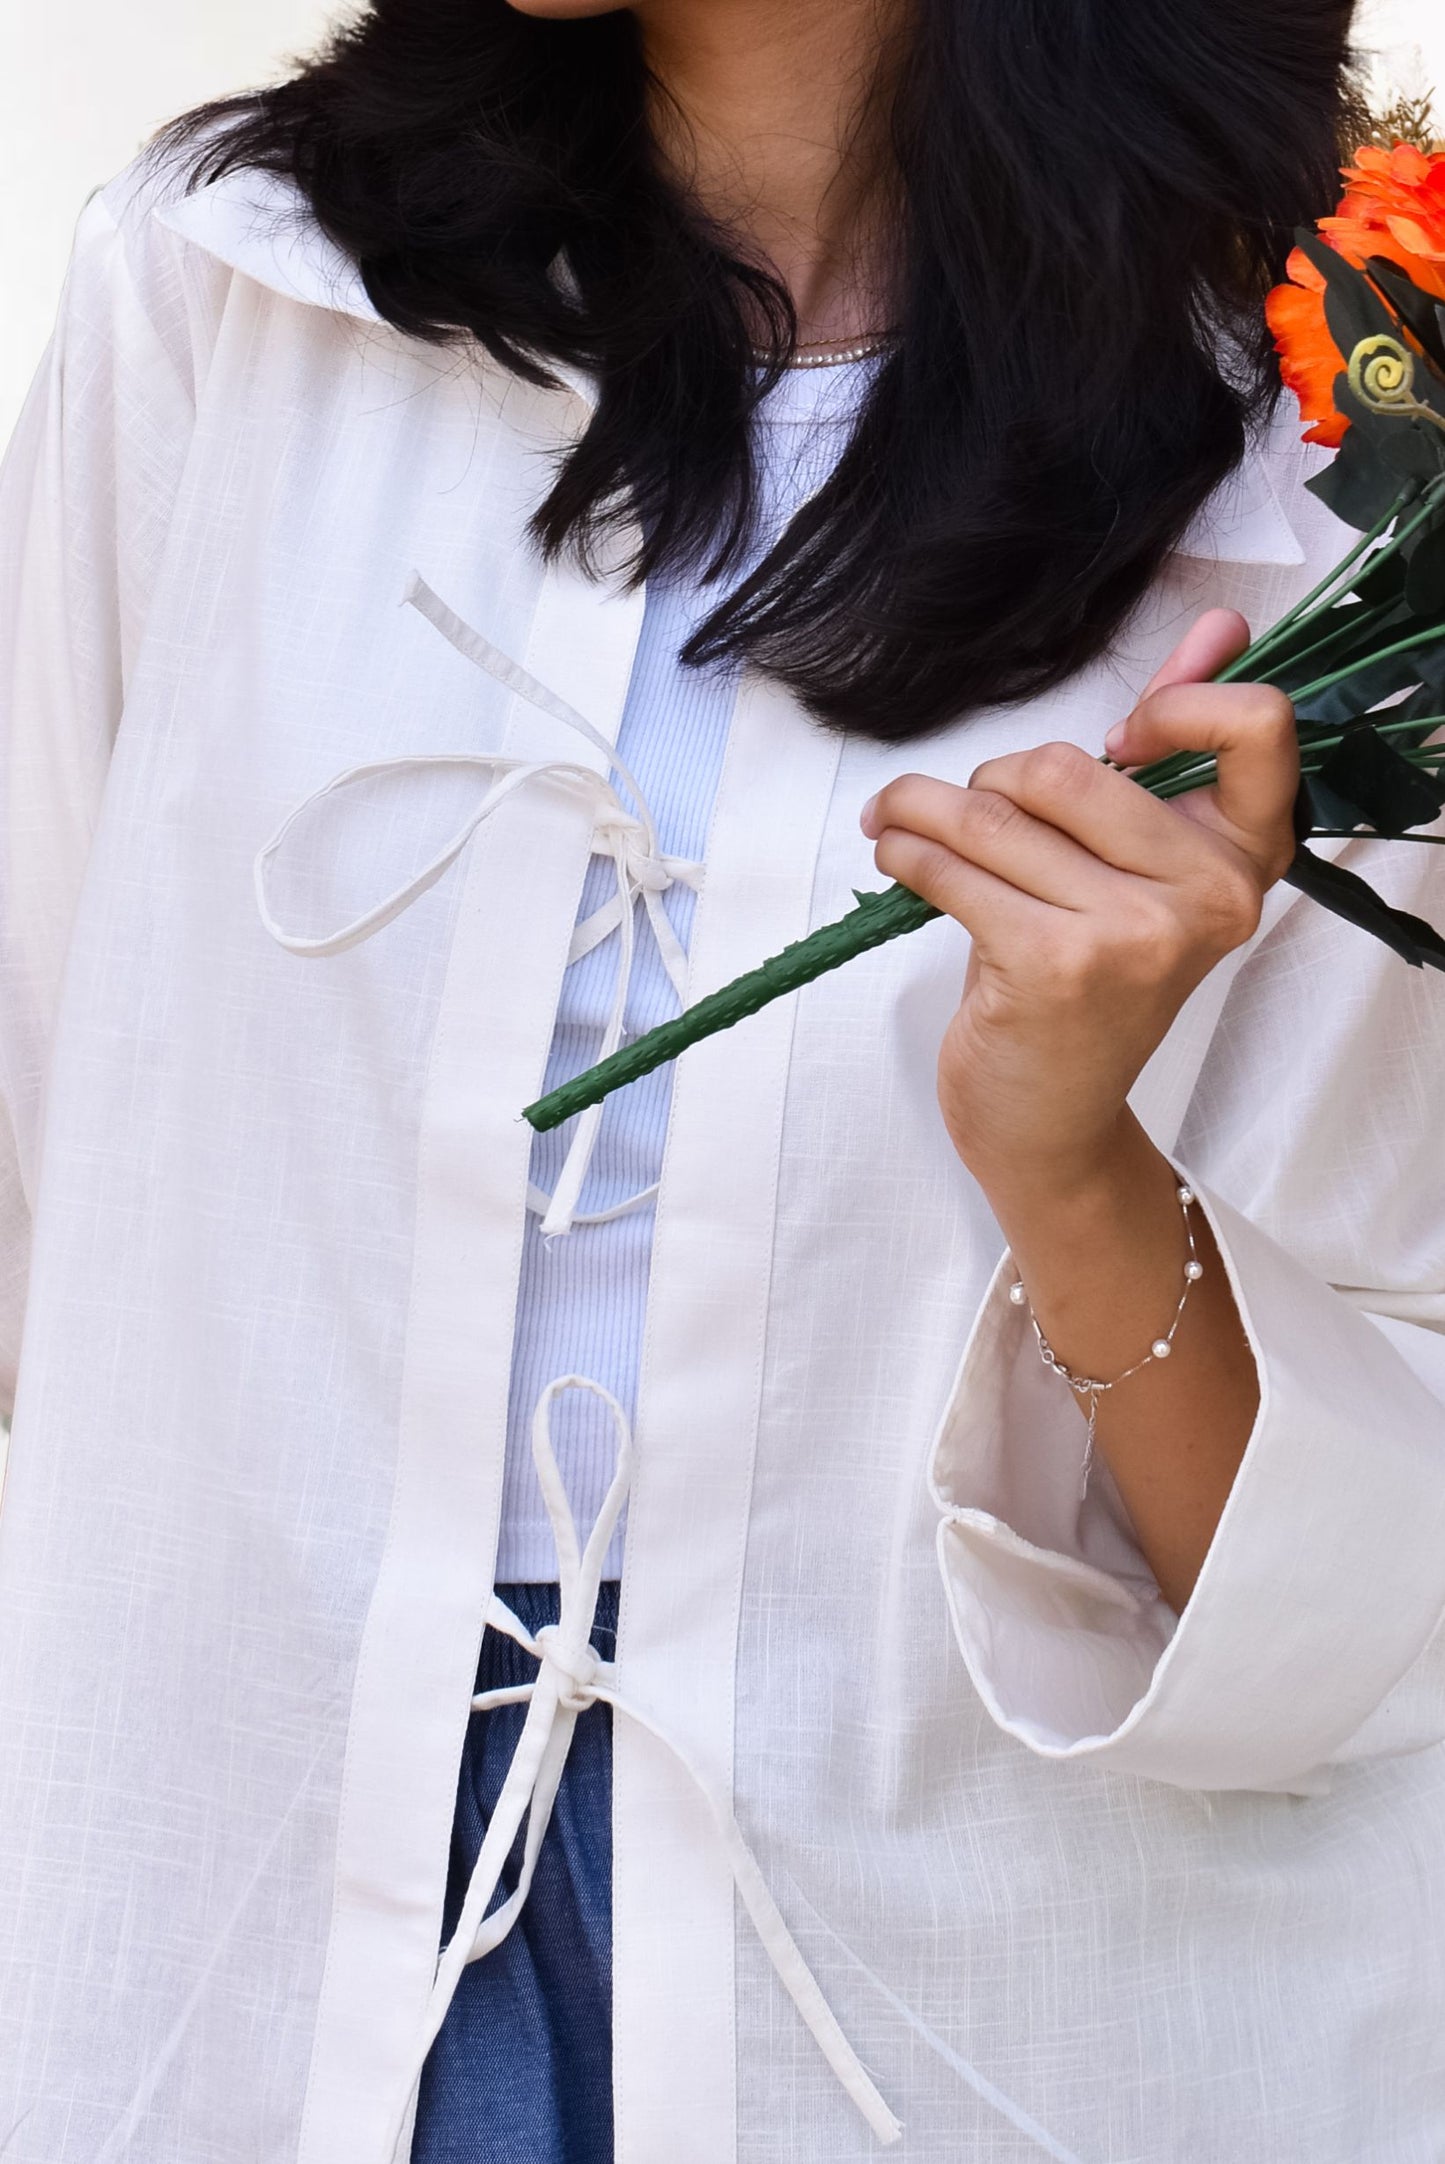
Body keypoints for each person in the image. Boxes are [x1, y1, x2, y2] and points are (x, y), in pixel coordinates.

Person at [1, 0, 1442, 2157]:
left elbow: (1359, 1612)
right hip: (252, 1939)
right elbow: (50, 1215)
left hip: (996, 2017)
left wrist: (1072, 1162)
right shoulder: (231, 288)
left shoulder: (1349, 444)